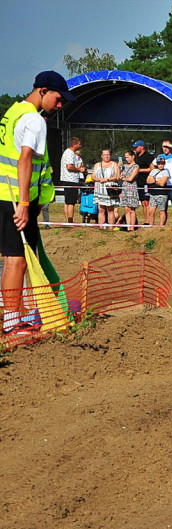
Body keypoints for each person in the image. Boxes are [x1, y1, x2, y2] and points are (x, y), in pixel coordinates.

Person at [0, 71, 72, 336]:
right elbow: (25, 159)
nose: (60, 104)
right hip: (15, 199)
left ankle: (11, 316)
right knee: (17, 261)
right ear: (43, 91)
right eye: (58, 97)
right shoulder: (35, 120)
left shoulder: (13, 111)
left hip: (4, 196)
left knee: (11, 259)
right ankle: (11, 324)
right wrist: (24, 203)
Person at [59, 136, 86, 223]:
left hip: (67, 179)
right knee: (71, 202)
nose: (80, 145)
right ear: (75, 145)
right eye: (79, 144)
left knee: (67, 201)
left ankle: (68, 221)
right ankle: (70, 221)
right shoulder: (70, 153)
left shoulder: (67, 152)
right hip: (70, 180)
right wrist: (80, 169)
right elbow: (69, 166)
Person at [92, 148, 121, 228]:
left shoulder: (114, 164)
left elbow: (117, 177)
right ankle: (101, 227)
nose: (106, 156)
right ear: (101, 156)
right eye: (105, 155)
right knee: (101, 209)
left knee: (110, 209)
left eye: (108, 154)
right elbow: (93, 176)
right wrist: (98, 179)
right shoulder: (97, 165)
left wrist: (107, 179)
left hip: (109, 190)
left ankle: (111, 227)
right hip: (99, 189)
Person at [131, 141, 154, 225]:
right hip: (138, 182)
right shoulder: (136, 157)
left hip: (145, 182)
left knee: (146, 202)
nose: (135, 149)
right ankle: (145, 221)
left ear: (142, 147)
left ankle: (148, 221)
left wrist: (139, 170)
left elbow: (151, 168)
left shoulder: (148, 156)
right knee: (142, 202)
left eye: (136, 147)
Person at [146, 157, 171, 226]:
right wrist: (157, 180)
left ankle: (161, 226)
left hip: (161, 194)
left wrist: (154, 180)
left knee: (161, 211)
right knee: (151, 211)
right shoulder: (153, 171)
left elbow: (163, 183)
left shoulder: (165, 172)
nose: (160, 165)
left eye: (162, 164)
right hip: (153, 194)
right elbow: (148, 180)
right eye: (159, 164)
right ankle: (151, 226)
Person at [121, 149, 141, 230]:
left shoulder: (136, 166)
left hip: (132, 188)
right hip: (124, 188)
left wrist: (123, 178)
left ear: (133, 156)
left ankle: (132, 227)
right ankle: (128, 227)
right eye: (125, 157)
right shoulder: (124, 166)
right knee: (126, 209)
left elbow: (131, 178)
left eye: (128, 157)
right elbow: (120, 175)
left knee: (132, 209)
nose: (126, 159)